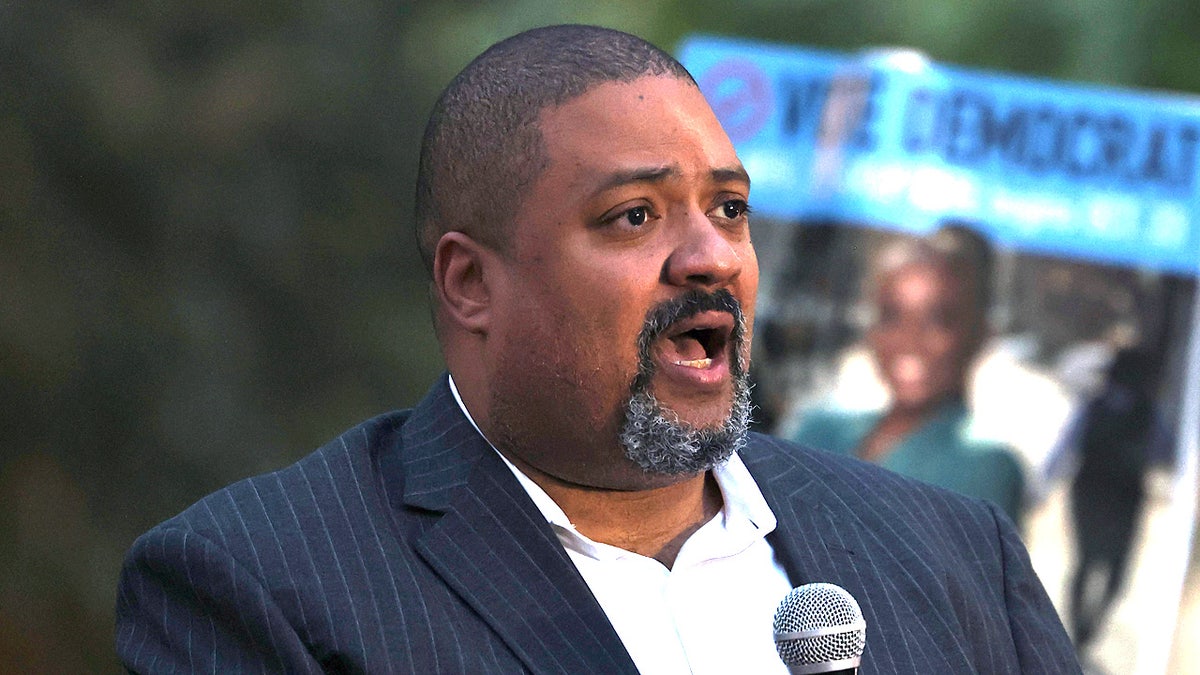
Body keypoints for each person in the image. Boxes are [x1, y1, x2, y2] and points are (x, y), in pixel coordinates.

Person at [115, 25, 1078, 673]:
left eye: (730, 208)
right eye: (634, 216)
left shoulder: (954, 551)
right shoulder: (256, 585)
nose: (710, 257)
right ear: (470, 282)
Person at [791, 228, 1026, 523]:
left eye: (939, 320)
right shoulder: (819, 431)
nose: (909, 341)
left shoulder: (985, 466)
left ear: (978, 334)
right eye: (891, 316)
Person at [1065, 347, 1168, 649]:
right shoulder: (1148, 414)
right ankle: (1085, 632)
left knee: (1086, 564)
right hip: (1122, 498)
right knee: (1114, 572)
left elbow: (1065, 447)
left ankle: (1079, 633)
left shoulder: (1094, 407)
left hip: (1092, 494)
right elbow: (1165, 453)